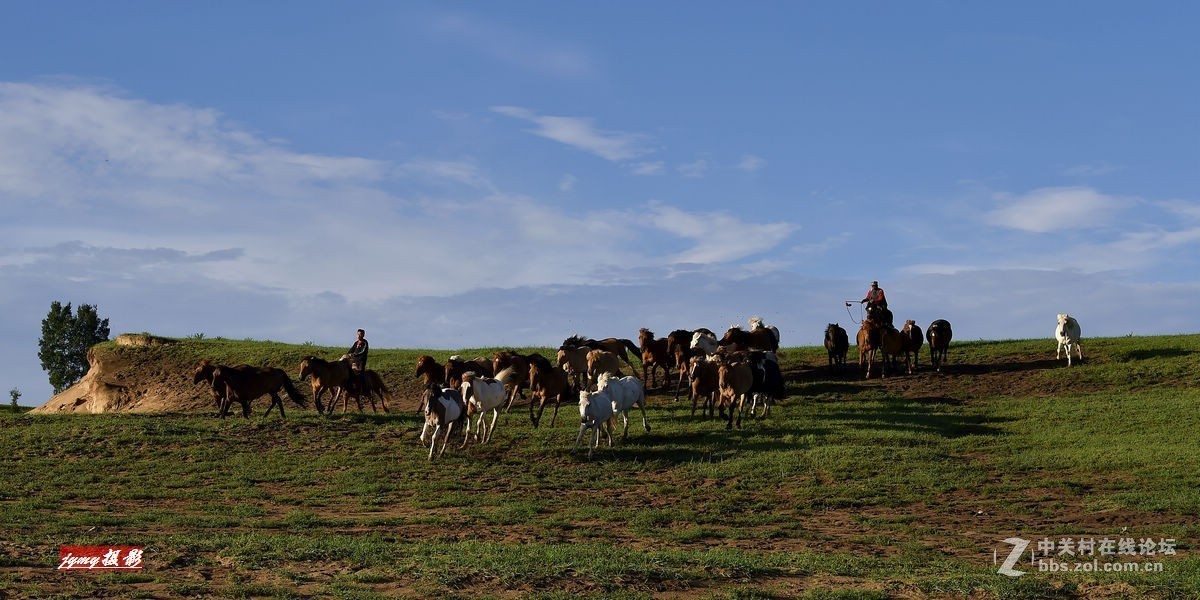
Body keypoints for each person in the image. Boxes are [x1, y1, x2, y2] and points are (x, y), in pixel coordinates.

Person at [347, 329, 369, 394]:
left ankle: (365, 388)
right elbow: (351, 350)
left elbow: (363, 351)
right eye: (358, 334)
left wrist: (354, 354)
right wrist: (348, 354)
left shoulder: (365, 342)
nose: (359, 336)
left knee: (361, 373)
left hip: (361, 361)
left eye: (361, 334)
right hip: (355, 361)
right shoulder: (356, 343)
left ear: (363, 335)